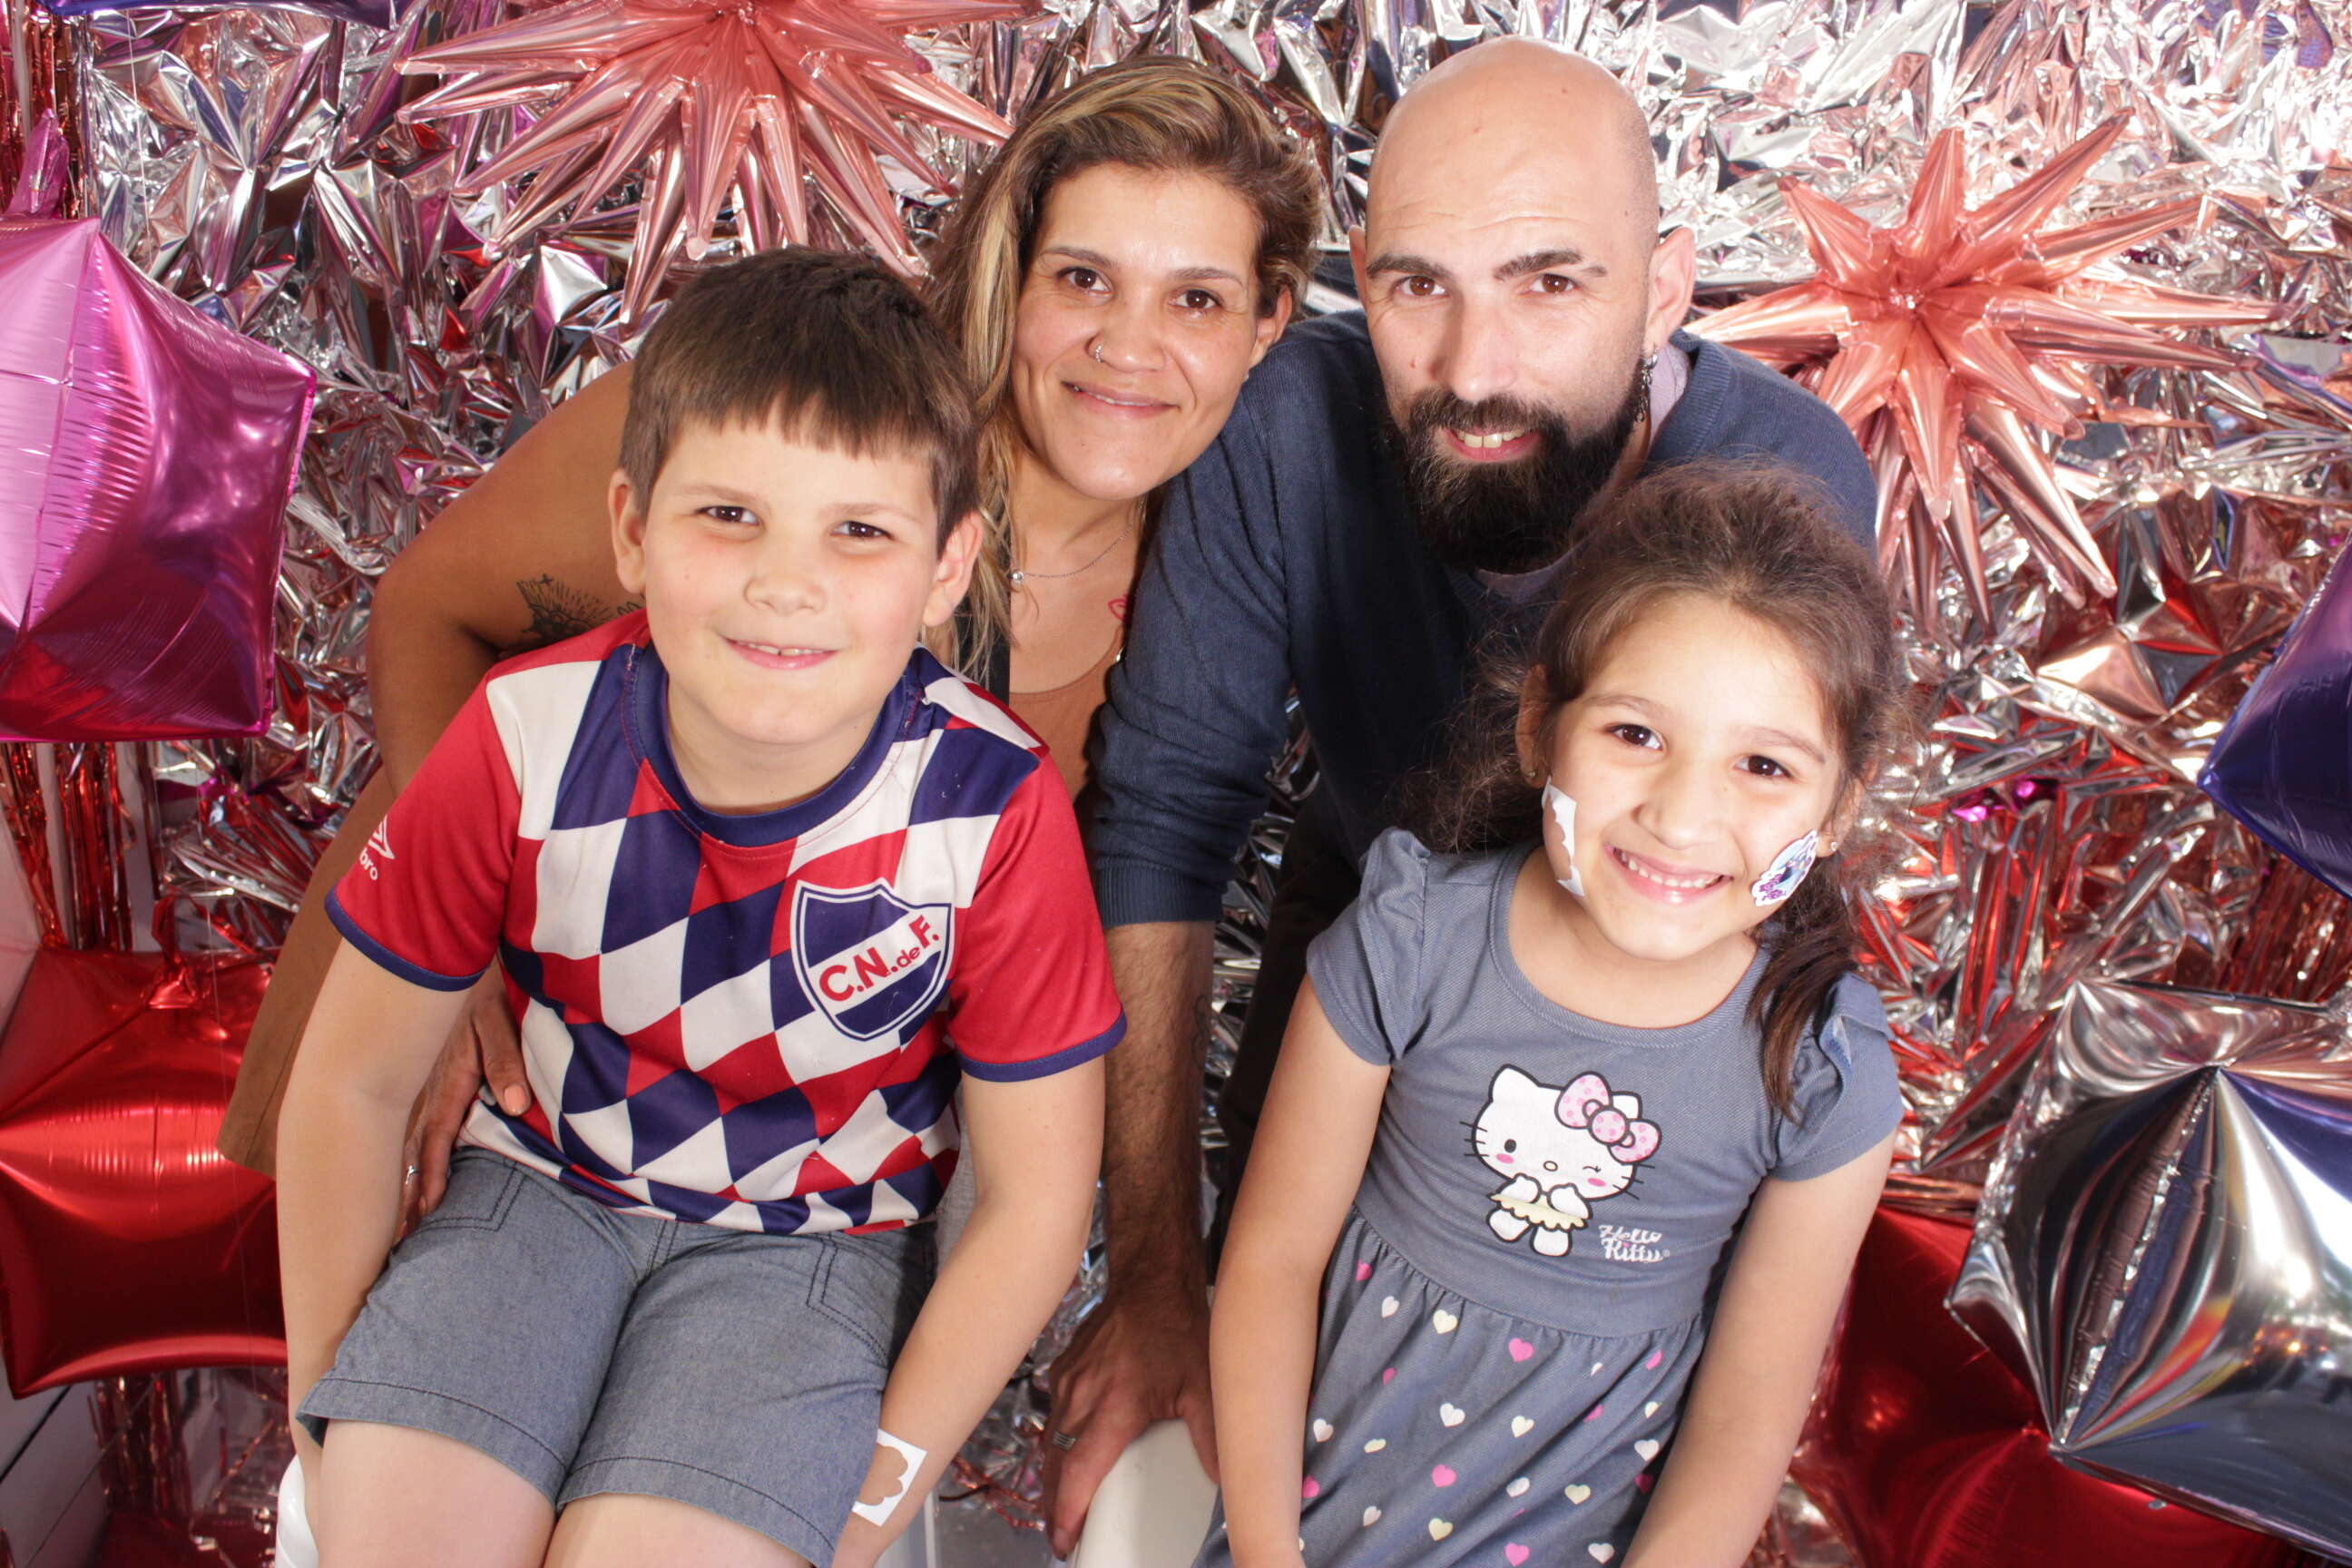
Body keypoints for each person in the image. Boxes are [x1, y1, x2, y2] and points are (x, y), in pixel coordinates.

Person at [217, 56, 1320, 1220]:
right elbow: (430, 605)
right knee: (377, 1335)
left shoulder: (1221, 573)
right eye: (1083, 278)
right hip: (488, 1047)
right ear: (1014, 270)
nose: (1129, 346)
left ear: (1268, 323)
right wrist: (455, 967)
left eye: (1197, 300)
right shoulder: (798, 412)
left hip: (785, 1174)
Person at [1049, 40, 1880, 1543]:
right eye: (1416, 286)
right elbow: (1165, 817)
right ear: (1357, 278)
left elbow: (1747, 836)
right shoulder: (1288, 424)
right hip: (1373, 906)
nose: (1474, 366)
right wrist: (1158, 1278)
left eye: (1549, 283)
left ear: (1665, 288)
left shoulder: (1781, 474)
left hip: (1652, 964)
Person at [277, 250, 1122, 1568]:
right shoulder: (525, 733)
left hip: (811, 1252)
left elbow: (1034, 1206)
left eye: (860, 531)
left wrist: (869, 1502)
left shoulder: (992, 812)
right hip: (536, 1191)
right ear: (632, 527)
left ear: (949, 566)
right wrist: (322, 1397)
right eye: (730, 514)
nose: (786, 583)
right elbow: (351, 1084)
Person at [1201, 463, 1904, 1567]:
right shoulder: (1408, 944)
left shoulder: (1822, 1069)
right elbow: (1272, 1265)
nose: (1683, 816)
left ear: (1837, 811)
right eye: (1636, 735)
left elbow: (1745, 1422)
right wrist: (1263, 1553)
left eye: (1764, 765)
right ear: (1541, 727)